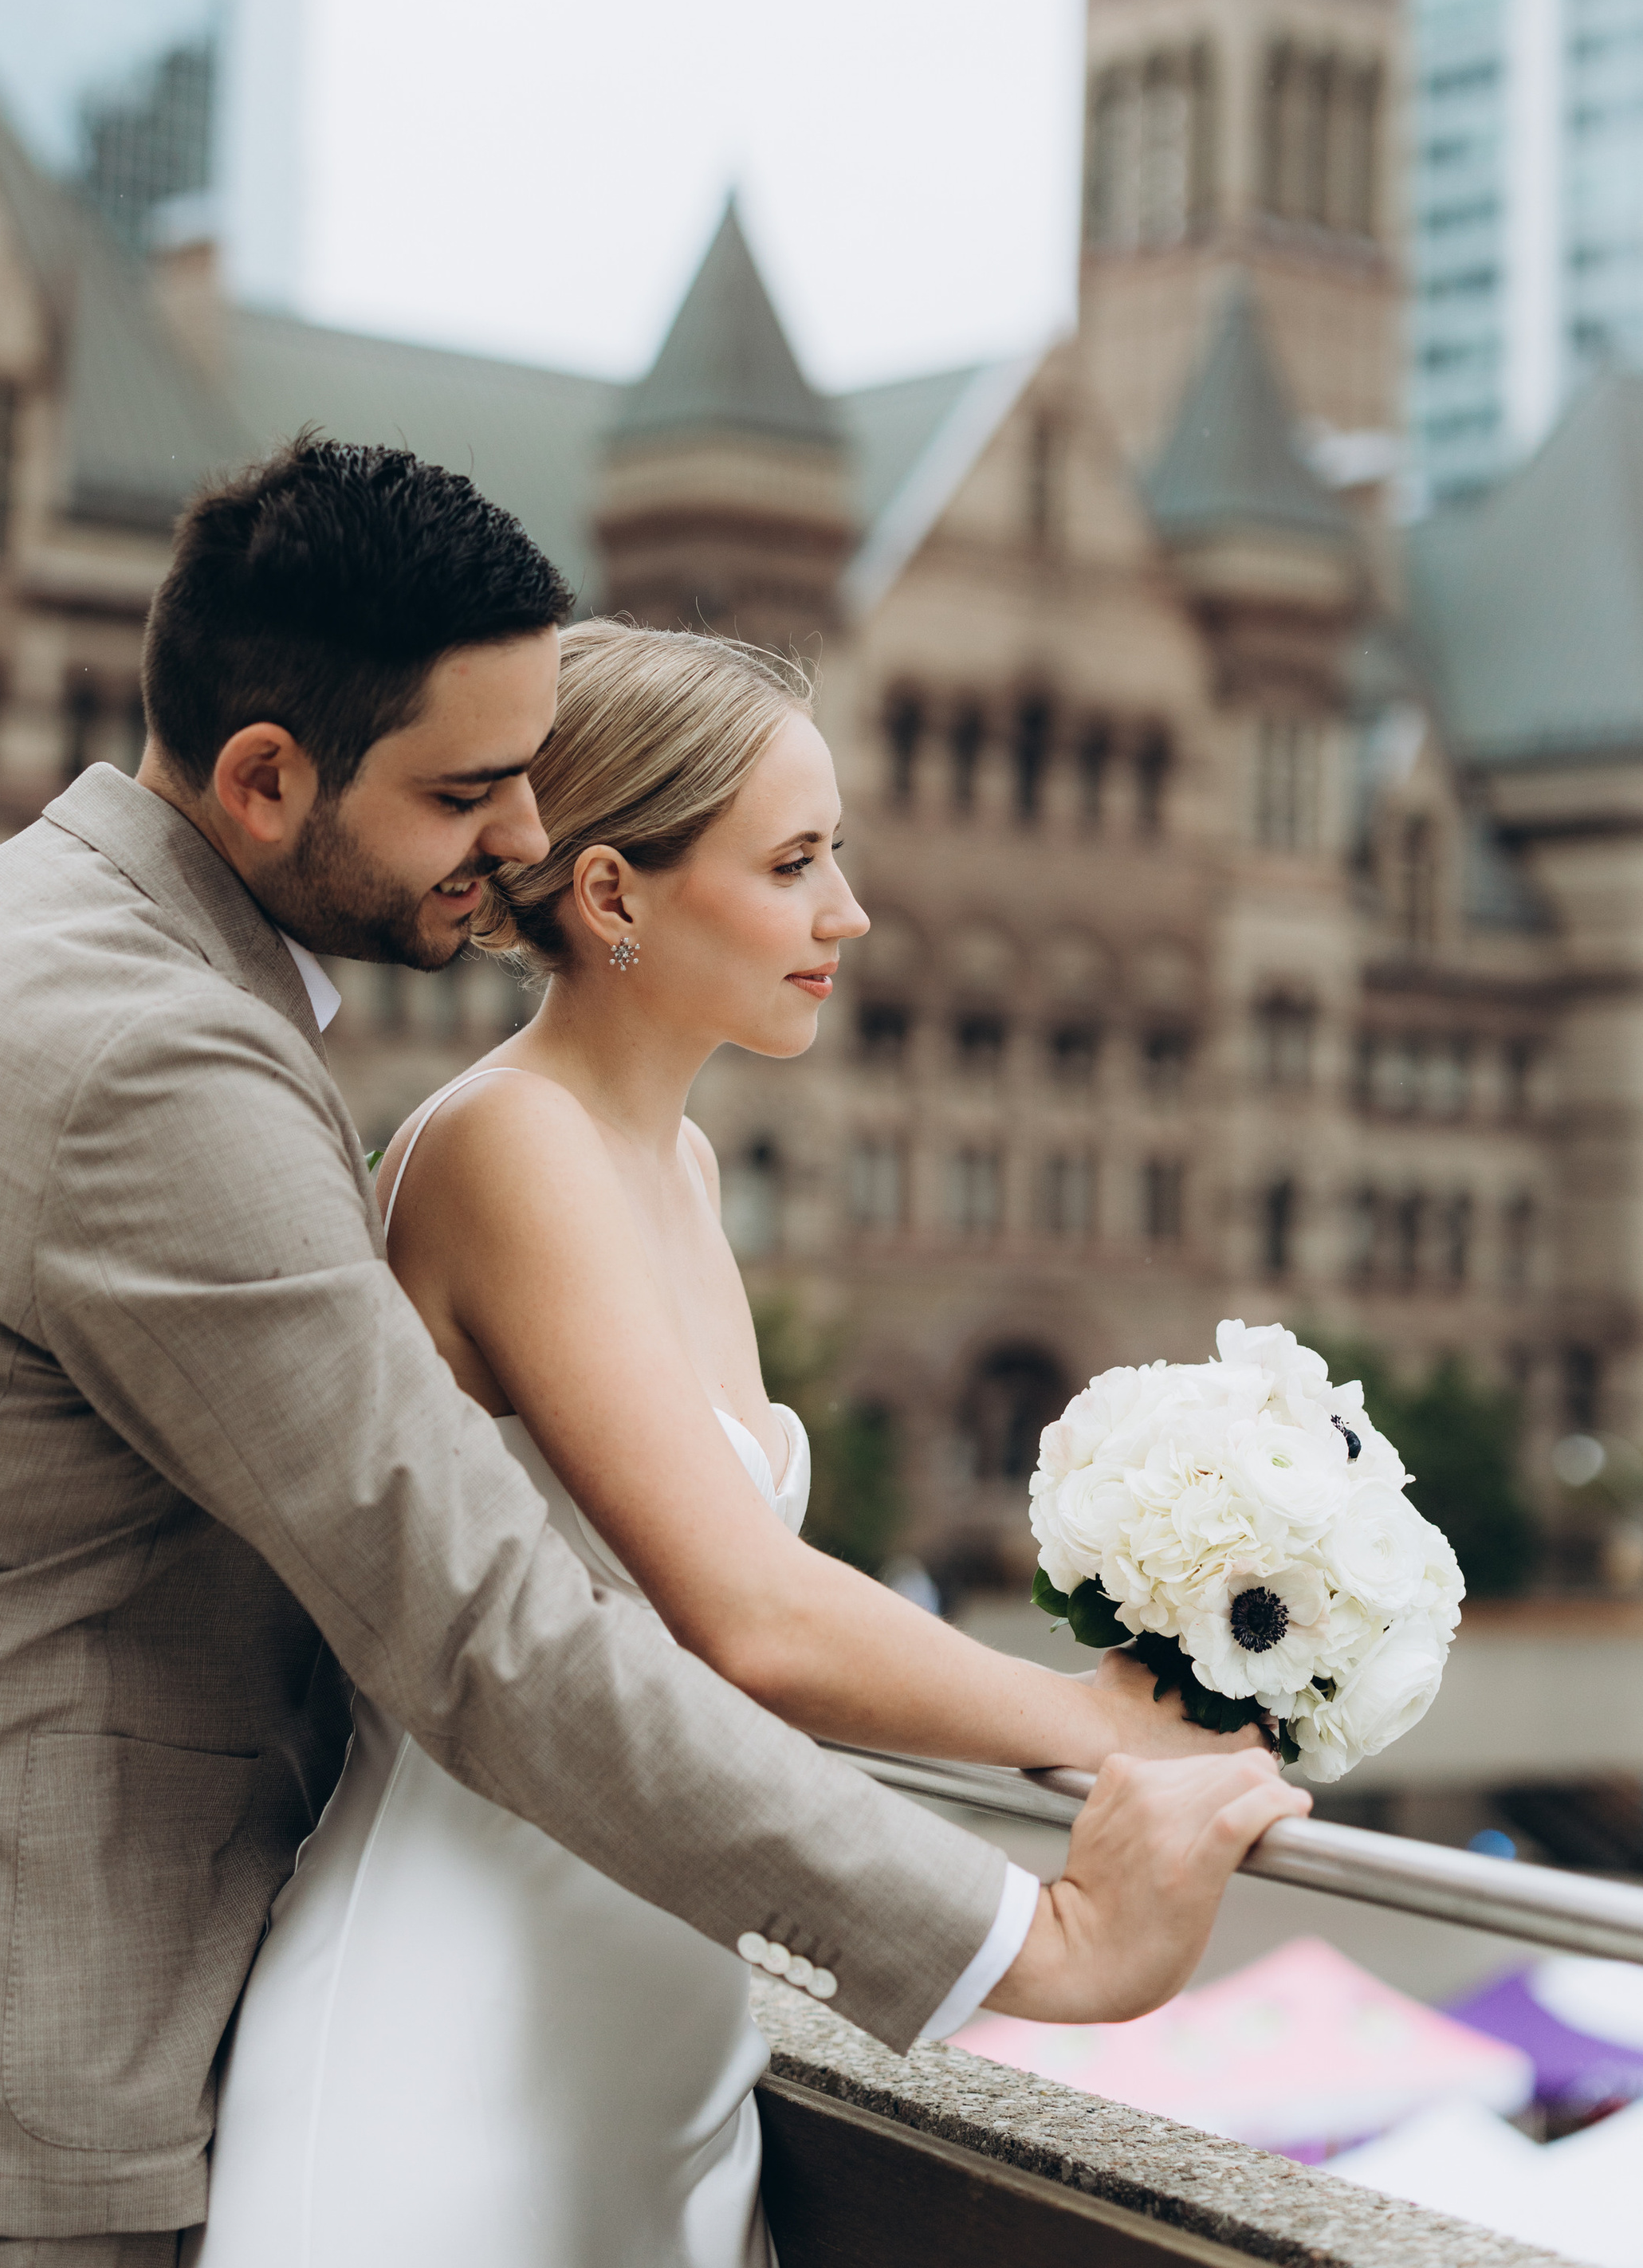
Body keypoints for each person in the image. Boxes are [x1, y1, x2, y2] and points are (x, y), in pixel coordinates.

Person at [0, 442, 1304, 2268]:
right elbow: (484, 1627)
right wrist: (1017, 1933)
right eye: (467, 790)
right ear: (264, 781)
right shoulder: (147, 1060)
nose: (519, 845)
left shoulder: (31, 926)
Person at [197, 617, 1307, 2268]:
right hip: (440, 2058)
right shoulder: (503, 1145)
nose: (843, 914)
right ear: (611, 897)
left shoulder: (683, 1170)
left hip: (659, 2064)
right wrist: (1097, 1724)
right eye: (791, 864)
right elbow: (749, 1621)